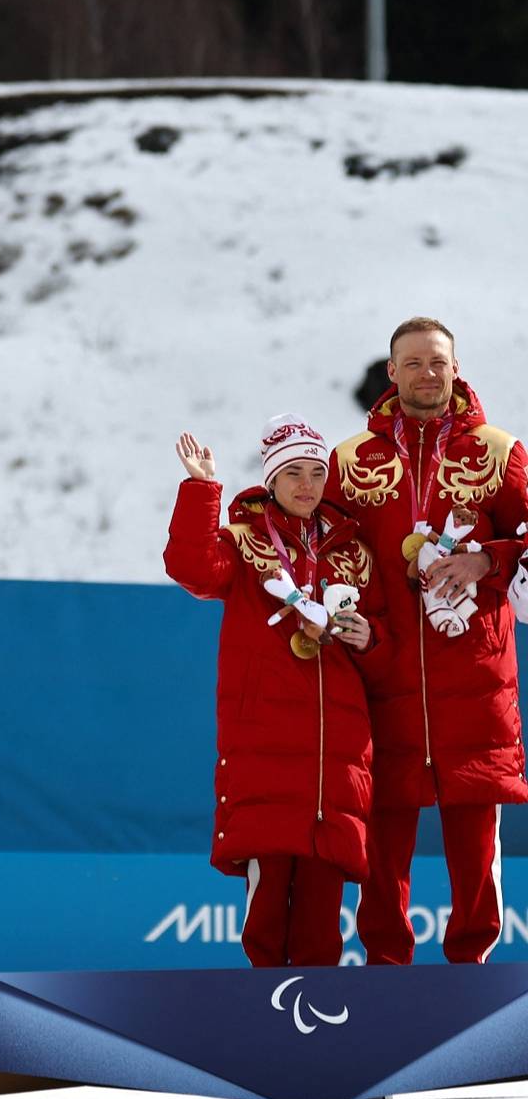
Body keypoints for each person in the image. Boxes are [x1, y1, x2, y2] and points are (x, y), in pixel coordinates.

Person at [325, 316, 528, 965]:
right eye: (412, 363)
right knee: (384, 843)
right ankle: (386, 973)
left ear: (455, 366)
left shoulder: (499, 451)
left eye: (437, 362)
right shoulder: (352, 462)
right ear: (392, 373)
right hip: (385, 681)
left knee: (475, 843)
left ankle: (472, 970)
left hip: (474, 681)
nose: (426, 373)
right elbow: (327, 555)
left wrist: (485, 561)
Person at [164, 414, 387, 967]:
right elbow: (190, 567)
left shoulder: (353, 552)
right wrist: (202, 490)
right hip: (265, 747)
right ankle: (264, 1033)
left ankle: (319, 1037)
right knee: (266, 918)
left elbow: (388, 644)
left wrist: (369, 637)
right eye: (293, 473)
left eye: (316, 471)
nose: (307, 485)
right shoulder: (242, 541)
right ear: (271, 481)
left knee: (321, 922)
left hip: (337, 757)